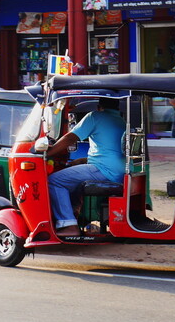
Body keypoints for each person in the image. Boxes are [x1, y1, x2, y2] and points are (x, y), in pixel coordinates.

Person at [45, 98, 126, 237]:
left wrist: (49, 152)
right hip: (120, 171)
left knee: (54, 181)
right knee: (72, 181)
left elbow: (71, 137)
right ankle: (75, 216)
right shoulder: (121, 121)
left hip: (104, 170)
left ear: (99, 106)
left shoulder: (95, 116)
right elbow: (109, 150)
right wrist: (82, 160)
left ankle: (68, 225)